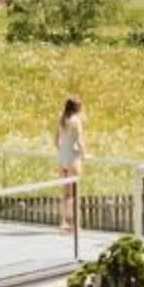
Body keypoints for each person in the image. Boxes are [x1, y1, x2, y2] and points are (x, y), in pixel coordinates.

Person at [55, 95, 86, 236]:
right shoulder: (76, 121)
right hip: (73, 158)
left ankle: (63, 222)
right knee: (74, 193)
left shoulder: (61, 120)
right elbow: (79, 141)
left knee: (64, 193)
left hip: (62, 158)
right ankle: (75, 225)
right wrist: (83, 154)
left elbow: (56, 141)